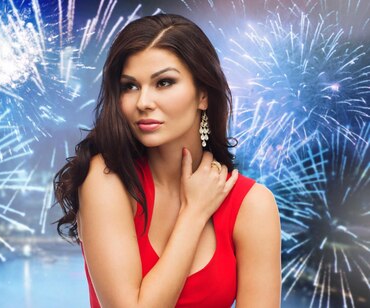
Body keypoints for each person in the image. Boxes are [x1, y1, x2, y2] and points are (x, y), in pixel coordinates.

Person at [53, 13, 281, 307]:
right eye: (130, 86)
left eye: (163, 82)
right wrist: (193, 213)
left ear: (203, 95)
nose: (143, 102)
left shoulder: (252, 205)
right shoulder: (107, 178)